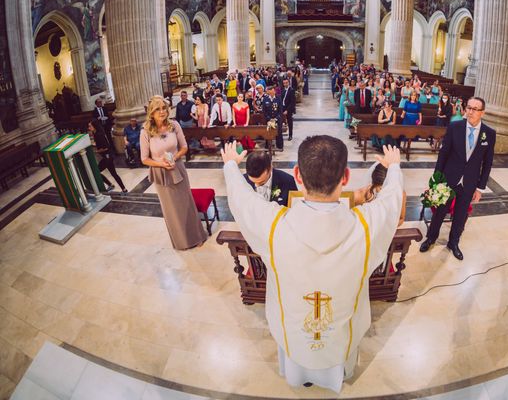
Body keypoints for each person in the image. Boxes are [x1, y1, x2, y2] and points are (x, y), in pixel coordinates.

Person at [222, 137, 403, 393]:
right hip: (342, 337)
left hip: (293, 334)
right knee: (337, 348)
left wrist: (230, 165)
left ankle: (299, 377)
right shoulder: (366, 228)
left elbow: (242, 200)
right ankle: (336, 377)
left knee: (298, 346)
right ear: (345, 177)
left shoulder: (273, 227)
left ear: (297, 175)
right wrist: (394, 167)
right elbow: (391, 201)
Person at [419, 97, 496, 261]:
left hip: (469, 182)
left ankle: (453, 243)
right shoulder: (455, 127)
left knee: (460, 214)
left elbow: (487, 163)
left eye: (475, 109)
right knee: (440, 211)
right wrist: (436, 180)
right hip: (448, 178)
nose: (470, 111)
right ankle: (431, 237)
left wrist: (480, 188)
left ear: (482, 112)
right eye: (469, 108)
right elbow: (443, 154)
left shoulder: (489, 134)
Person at [140, 96, 207, 250]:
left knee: (186, 203)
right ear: (151, 112)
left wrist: (174, 158)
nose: (162, 112)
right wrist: (161, 164)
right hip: (160, 173)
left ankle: (197, 236)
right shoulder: (145, 131)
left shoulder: (174, 125)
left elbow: (184, 147)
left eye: (164, 108)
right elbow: (144, 158)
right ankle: (181, 241)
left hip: (177, 168)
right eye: (158, 109)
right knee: (171, 209)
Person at [88, 119, 127, 194]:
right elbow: (101, 144)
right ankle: (123, 189)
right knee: (113, 173)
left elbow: (105, 147)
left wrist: (97, 151)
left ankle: (113, 186)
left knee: (96, 172)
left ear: (94, 126)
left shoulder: (99, 134)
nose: (89, 128)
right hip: (107, 156)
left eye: (90, 126)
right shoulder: (96, 134)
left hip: (107, 156)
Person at [263, 85, 284, 150]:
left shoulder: (278, 98)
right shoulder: (265, 98)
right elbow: (264, 110)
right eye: (270, 92)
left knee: (278, 132)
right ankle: (267, 146)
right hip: (268, 119)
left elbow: (280, 110)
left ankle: (279, 146)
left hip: (277, 118)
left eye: (272, 92)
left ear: (274, 91)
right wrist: (269, 118)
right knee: (268, 131)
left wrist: (276, 118)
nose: (271, 93)